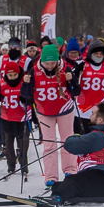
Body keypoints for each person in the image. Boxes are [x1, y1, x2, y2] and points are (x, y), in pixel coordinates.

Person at [23, 44, 77, 187]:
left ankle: (70, 170)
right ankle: (51, 177)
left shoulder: (65, 69)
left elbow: (76, 92)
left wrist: (72, 80)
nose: (50, 66)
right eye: (47, 63)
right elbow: (25, 95)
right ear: (42, 60)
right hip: (44, 112)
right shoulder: (34, 71)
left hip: (65, 110)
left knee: (67, 141)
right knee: (49, 144)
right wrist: (25, 84)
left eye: (53, 62)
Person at [49, 102, 104, 202]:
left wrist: (75, 136)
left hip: (103, 179)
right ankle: (63, 195)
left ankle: (58, 198)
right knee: (58, 185)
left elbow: (70, 145)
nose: (90, 116)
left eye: (93, 114)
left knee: (71, 181)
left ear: (100, 120)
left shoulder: (99, 136)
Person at [0, 60, 31, 181]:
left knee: (23, 142)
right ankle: (11, 165)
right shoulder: (1, 84)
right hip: (7, 118)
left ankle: (24, 165)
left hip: (22, 117)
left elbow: (30, 96)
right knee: (8, 143)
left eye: (15, 75)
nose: (12, 78)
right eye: (10, 75)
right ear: (6, 74)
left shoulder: (24, 83)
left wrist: (26, 98)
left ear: (19, 74)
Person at [75, 39, 104, 134]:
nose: (99, 56)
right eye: (96, 54)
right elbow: (72, 79)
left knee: (98, 133)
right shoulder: (82, 64)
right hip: (83, 106)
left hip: (100, 106)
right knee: (83, 133)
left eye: (101, 54)